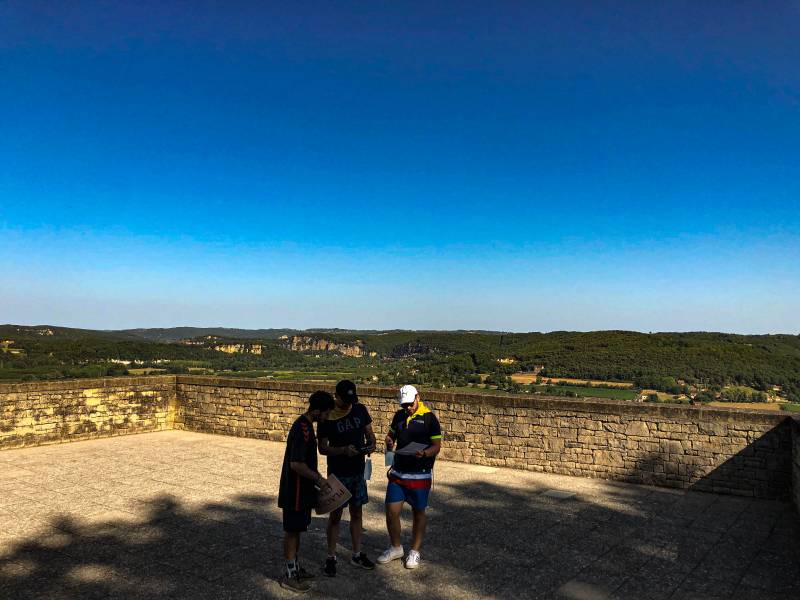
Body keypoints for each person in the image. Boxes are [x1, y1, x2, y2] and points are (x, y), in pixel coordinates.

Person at [377, 384, 442, 569]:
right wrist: (389, 442)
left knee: (418, 512)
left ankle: (414, 551)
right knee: (391, 510)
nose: (407, 408)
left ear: (418, 398)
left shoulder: (430, 419)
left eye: (410, 404)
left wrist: (426, 453)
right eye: (404, 404)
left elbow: (436, 446)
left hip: (419, 474)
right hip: (398, 472)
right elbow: (391, 437)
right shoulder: (399, 416)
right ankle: (396, 547)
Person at [318, 380, 377, 576]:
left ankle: (356, 553)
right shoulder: (327, 416)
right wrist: (343, 450)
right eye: (346, 400)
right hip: (338, 472)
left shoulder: (360, 409)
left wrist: (371, 444)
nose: (349, 404)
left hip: (358, 471)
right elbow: (322, 447)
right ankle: (331, 556)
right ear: (337, 396)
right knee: (335, 516)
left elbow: (370, 433)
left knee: (357, 513)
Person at [278, 390, 335, 594]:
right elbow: (297, 464)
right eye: (326, 414)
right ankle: (290, 575)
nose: (327, 418)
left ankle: (295, 568)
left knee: (298, 530)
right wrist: (319, 479)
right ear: (318, 411)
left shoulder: (307, 426)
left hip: (302, 491)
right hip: (295, 490)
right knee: (292, 531)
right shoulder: (302, 428)